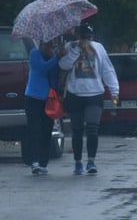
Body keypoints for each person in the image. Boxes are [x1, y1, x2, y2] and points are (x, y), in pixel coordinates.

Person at [59, 24, 119, 175]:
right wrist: (77, 49)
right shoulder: (70, 47)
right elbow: (63, 65)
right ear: (79, 36)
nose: (87, 40)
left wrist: (114, 90)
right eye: (84, 37)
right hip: (75, 94)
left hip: (95, 94)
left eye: (89, 37)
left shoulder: (98, 48)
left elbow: (107, 69)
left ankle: (91, 161)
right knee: (77, 130)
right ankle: (78, 162)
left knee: (92, 128)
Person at [24, 39, 60, 175]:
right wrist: (56, 57)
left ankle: (44, 161)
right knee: (34, 129)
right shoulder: (35, 54)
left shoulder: (54, 55)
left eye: (53, 44)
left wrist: (58, 56)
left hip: (48, 98)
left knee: (47, 129)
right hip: (33, 97)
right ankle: (34, 161)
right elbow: (42, 68)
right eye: (48, 44)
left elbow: (55, 74)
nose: (50, 47)